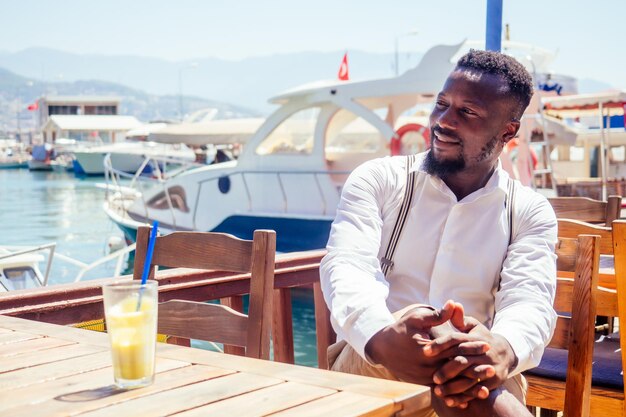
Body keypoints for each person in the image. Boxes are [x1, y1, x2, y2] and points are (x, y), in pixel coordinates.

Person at [320, 49, 557, 416]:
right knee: (434, 339)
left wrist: (503, 350)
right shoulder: (379, 180)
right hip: (374, 360)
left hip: (481, 369)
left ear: (508, 131)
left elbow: (530, 301)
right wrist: (382, 336)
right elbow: (346, 267)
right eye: (442, 104)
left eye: (467, 112)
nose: (443, 121)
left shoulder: (528, 211)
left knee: (462, 359)